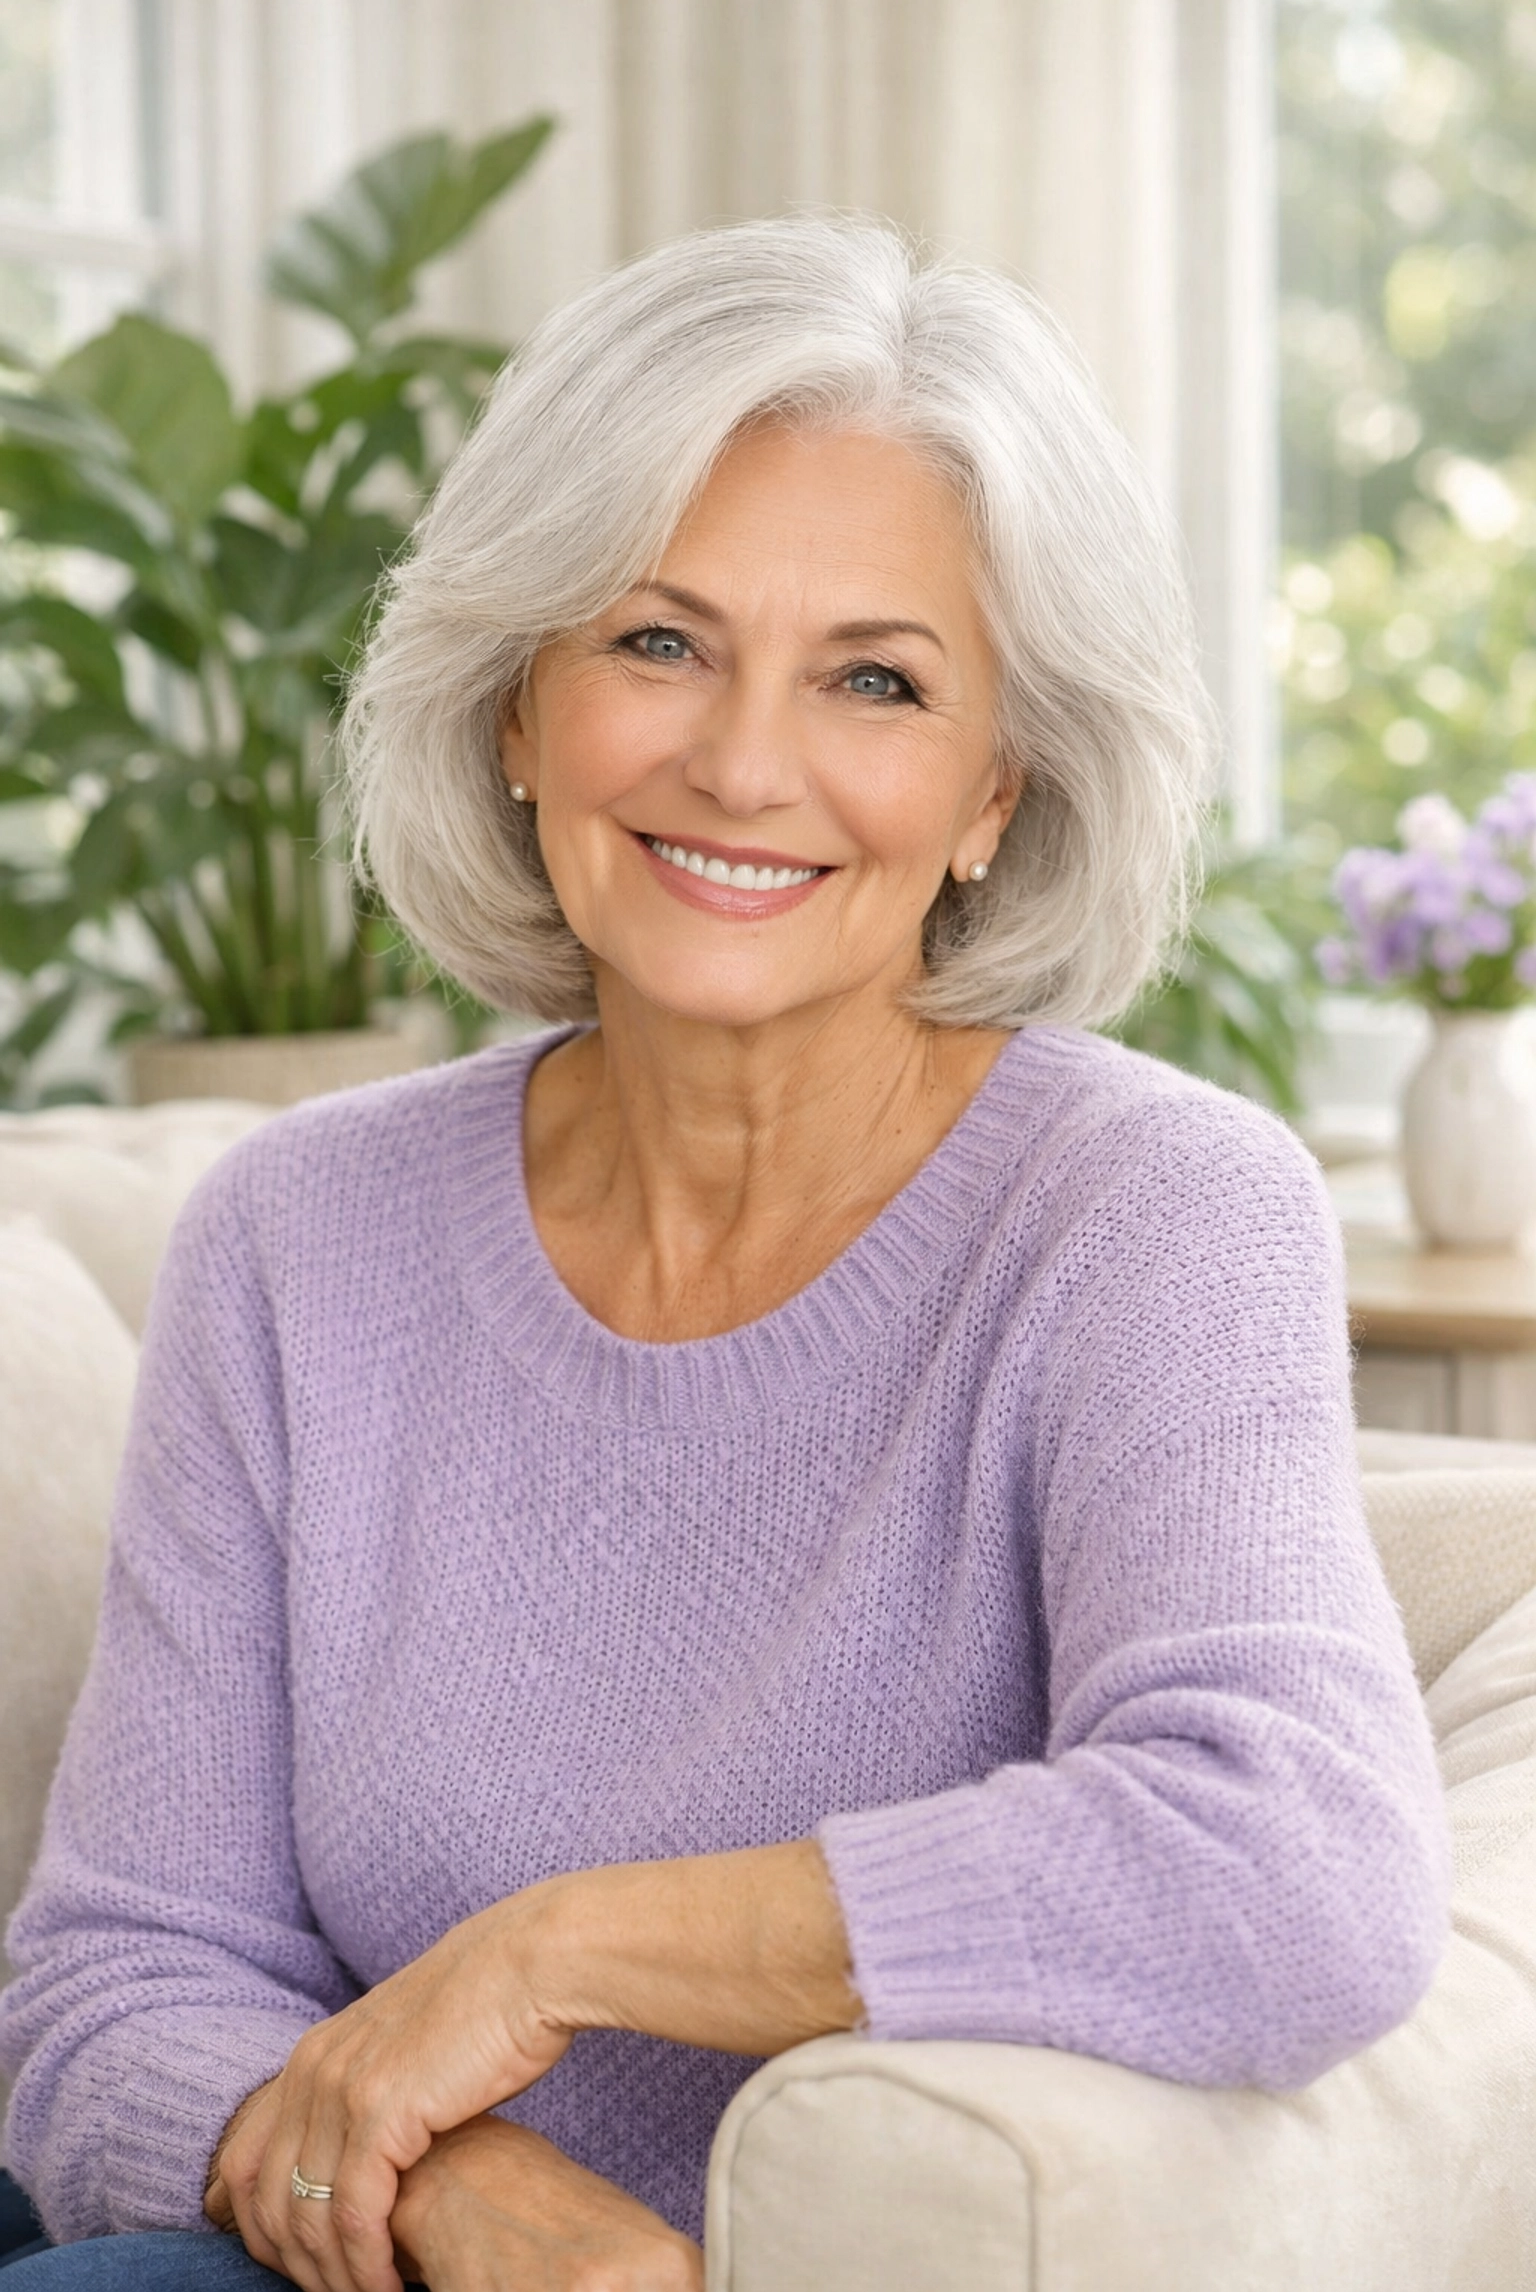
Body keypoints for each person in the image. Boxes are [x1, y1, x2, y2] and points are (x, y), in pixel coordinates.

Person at [0, 215, 1449, 2292]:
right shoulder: (294, 1240)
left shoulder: (1152, 1212)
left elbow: (1299, 1868)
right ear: (516, 708)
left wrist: (560, 1957)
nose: (744, 764)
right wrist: (473, 2200)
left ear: (990, 793)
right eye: (657, 642)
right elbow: (111, 1983)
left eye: (877, 678)